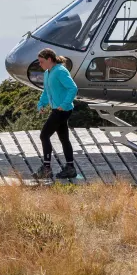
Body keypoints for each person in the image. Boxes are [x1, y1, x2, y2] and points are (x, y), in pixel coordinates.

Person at [34, 48, 79, 180]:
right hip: (57, 109)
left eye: (41, 62)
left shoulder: (60, 71)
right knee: (64, 139)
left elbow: (73, 88)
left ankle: (46, 169)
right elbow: (47, 91)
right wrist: (41, 104)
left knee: (44, 135)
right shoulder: (48, 72)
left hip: (62, 110)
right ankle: (70, 168)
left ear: (49, 59)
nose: (40, 64)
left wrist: (64, 104)